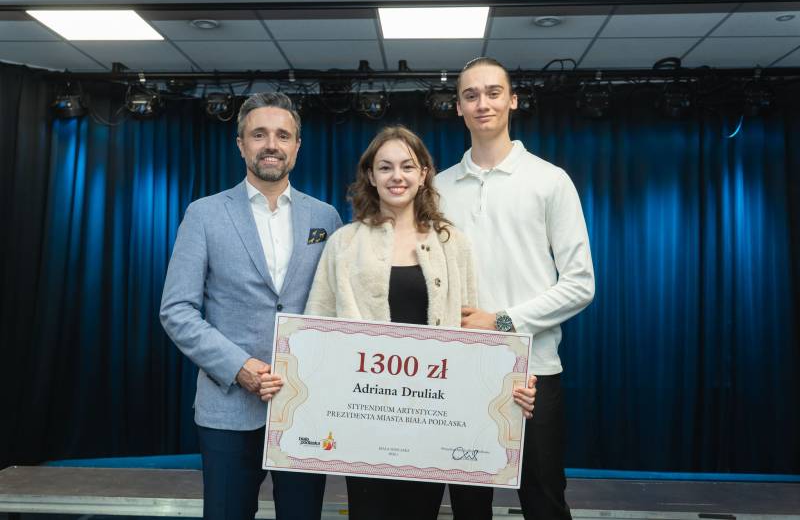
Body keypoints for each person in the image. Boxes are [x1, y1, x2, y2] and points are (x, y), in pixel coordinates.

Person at [295, 125, 536, 520]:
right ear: (370, 175)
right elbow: (315, 331)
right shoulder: (344, 243)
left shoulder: (452, 243)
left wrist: (509, 379)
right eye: (385, 167)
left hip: (430, 423)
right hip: (363, 420)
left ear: (424, 174)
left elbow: (472, 337)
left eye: (408, 166)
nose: (397, 176)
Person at [160, 92, 342, 520]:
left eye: (283, 135)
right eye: (259, 134)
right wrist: (238, 366)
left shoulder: (326, 218)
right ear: (241, 144)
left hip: (305, 407)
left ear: (298, 145)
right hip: (228, 408)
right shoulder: (204, 214)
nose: (271, 145)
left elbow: (337, 310)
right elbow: (177, 310)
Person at [436, 57, 595, 519]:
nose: (482, 103)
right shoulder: (438, 188)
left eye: (493, 92)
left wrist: (502, 321)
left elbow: (580, 284)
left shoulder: (550, 181)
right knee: (468, 507)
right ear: (458, 108)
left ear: (513, 100)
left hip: (534, 372)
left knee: (544, 503)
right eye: (470, 95)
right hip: (460, 370)